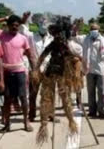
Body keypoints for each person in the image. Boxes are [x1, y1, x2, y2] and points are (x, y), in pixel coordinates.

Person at [35, 17, 82, 145]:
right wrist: (36, 69)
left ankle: (71, 120)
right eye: (55, 34)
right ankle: (44, 125)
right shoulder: (53, 45)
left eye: (59, 34)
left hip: (63, 75)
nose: (57, 36)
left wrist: (76, 67)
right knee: (46, 98)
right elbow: (42, 56)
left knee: (65, 98)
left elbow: (75, 58)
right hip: (50, 73)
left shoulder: (67, 46)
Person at [0, 15, 36, 132]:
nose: (15, 27)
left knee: (23, 98)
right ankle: (7, 124)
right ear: (8, 26)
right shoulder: (2, 35)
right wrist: (4, 18)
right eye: (12, 25)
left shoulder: (23, 38)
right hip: (6, 73)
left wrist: (34, 70)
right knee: (7, 100)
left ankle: (26, 122)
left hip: (20, 72)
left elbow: (30, 55)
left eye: (17, 25)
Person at [19, 12, 54, 122]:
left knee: (48, 93)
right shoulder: (31, 36)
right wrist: (24, 18)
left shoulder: (52, 38)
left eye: (45, 23)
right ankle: (32, 114)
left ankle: (49, 114)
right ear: (37, 25)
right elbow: (22, 28)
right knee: (33, 93)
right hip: (35, 70)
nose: (43, 25)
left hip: (48, 70)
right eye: (41, 22)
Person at [74, 23, 104, 118]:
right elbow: (74, 36)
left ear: (99, 30)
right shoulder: (86, 39)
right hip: (89, 69)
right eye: (92, 29)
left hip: (101, 69)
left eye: (95, 29)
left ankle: (101, 111)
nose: (93, 30)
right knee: (91, 91)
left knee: (101, 91)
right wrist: (76, 26)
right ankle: (92, 111)